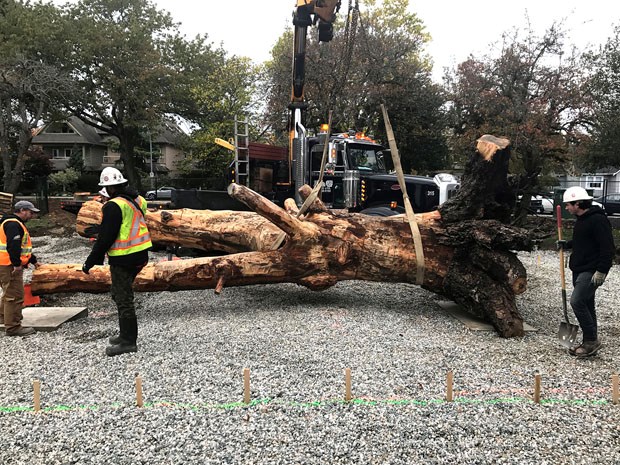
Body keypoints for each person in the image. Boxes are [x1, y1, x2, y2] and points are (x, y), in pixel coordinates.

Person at [82, 167, 152, 356]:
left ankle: (128, 341)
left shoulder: (114, 205)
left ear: (110, 188)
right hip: (140, 255)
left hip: (123, 258)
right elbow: (129, 223)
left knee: (123, 299)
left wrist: (90, 261)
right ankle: (124, 335)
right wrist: (101, 228)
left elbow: (106, 237)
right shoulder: (138, 200)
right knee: (119, 293)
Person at [557, 186, 615, 357]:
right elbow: (583, 241)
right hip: (579, 268)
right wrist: (566, 244)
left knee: (577, 301)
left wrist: (602, 270)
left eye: (569, 204)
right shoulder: (582, 220)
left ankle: (591, 341)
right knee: (587, 304)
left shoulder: (598, 220)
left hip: (591, 270)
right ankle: (590, 342)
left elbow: (608, 247)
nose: (567, 208)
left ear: (578, 203)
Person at [0, 200, 41, 336]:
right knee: (15, 295)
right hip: (8, 265)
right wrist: (17, 264)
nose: (32, 216)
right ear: (22, 210)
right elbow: (14, 246)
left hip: (4, 264)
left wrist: (33, 260)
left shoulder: (9, 222)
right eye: (30, 212)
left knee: (8, 293)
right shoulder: (13, 224)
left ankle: (3, 317)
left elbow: (22, 247)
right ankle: (13, 327)